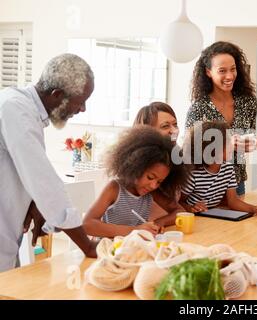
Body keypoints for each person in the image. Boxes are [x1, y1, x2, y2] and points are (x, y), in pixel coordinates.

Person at [0, 53, 98, 272]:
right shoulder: (16, 110)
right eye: (80, 102)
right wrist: (88, 246)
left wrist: (34, 201)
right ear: (57, 95)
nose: (82, 109)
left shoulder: (18, 104)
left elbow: (23, 174)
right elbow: (45, 183)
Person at [83, 126, 189, 238]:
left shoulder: (151, 191)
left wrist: (157, 223)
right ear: (136, 166)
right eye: (150, 177)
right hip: (109, 248)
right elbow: (87, 224)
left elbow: (179, 211)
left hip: (134, 248)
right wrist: (135, 230)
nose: (153, 185)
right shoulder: (115, 188)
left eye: (159, 182)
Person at [185, 41, 257, 197]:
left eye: (233, 69)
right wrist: (228, 146)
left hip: (237, 182)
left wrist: (249, 144)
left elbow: (249, 133)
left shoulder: (248, 102)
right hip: (206, 187)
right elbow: (190, 153)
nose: (229, 76)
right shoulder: (199, 108)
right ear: (208, 72)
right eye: (222, 71)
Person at [180, 121, 257, 217]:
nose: (232, 144)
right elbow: (179, 202)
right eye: (227, 141)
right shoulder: (194, 174)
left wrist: (255, 209)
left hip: (214, 217)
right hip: (196, 219)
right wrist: (190, 208)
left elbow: (233, 202)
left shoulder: (228, 169)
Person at [133, 102, 185, 226]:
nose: (174, 131)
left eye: (175, 124)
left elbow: (179, 208)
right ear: (147, 131)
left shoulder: (174, 157)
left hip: (163, 231)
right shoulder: (140, 165)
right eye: (165, 126)